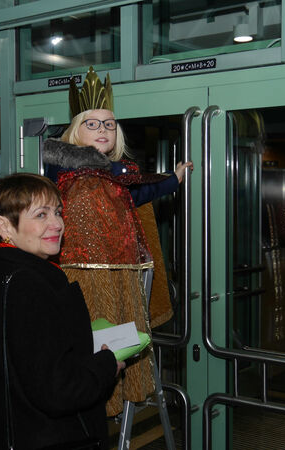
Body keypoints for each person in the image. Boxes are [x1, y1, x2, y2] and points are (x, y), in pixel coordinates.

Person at [43, 67, 193, 416]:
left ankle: (116, 402)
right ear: (76, 129)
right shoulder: (57, 171)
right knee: (86, 348)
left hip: (122, 275)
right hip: (78, 276)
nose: (103, 130)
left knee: (120, 346)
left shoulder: (119, 175)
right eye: (92, 123)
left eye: (109, 124)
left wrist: (174, 179)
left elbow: (144, 192)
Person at [0, 173, 124, 450]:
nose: (57, 224)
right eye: (40, 215)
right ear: (4, 226)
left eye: (57, 211)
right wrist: (106, 364)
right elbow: (57, 390)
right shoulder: (26, 285)